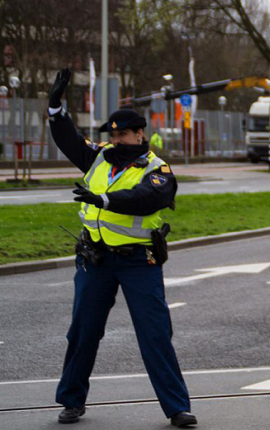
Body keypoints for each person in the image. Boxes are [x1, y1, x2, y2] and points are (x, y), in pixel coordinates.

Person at [47, 68, 197, 428]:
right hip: (95, 260)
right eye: (113, 135)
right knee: (83, 332)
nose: (117, 140)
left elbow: (146, 198)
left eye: (124, 134)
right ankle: (71, 400)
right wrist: (55, 108)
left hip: (138, 262)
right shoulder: (99, 157)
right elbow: (69, 140)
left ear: (140, 134)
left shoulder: (158, 169)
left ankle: (177, 408)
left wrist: (104, 199)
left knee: (155, 334)